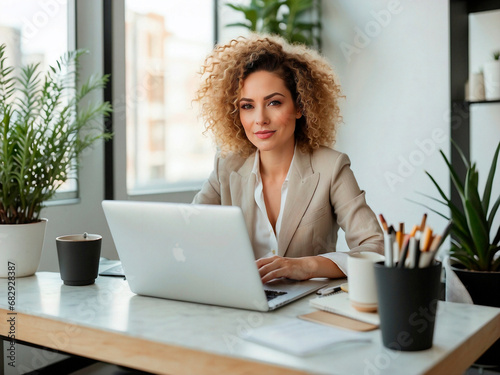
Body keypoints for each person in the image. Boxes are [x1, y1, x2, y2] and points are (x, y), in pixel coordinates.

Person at [193, 34, 383, 283]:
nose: (260, 118)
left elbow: (375, 248)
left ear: (299, 106)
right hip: (241, 303)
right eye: (247, 106)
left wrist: (307, 266)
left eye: (273, 102)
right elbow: (189, 232)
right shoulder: (227, 166)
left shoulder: (331, 167)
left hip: (307, 311)